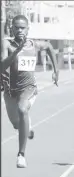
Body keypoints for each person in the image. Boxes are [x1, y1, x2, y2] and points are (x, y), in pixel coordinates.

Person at [1, 15, 59, 168]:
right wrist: (15, 52)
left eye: (22, 27)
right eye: (16, 27)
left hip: (28, 88)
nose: (19, 30)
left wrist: (56, 70)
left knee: (22, 109)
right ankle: (26, 128)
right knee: (17, 125)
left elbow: (49, 47)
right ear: (11, 28)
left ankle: (21, 155)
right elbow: (2, 65)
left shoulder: (34, 44)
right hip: (9, 91)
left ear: (28, 29)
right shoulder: (7, 44)